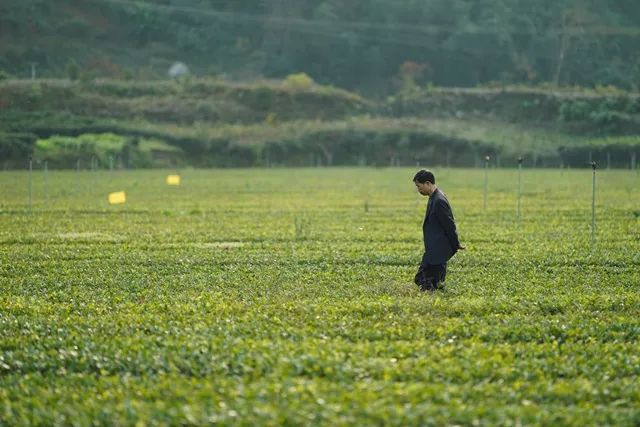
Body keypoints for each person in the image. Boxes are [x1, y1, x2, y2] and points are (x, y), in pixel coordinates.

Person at [413, 170, 464, 292]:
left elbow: (449, 224)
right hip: (434, 249)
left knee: (427, 281)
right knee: (426, 279)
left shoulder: (439, 200)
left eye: (419, 186)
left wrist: (456, 244)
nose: (418, 190)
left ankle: (431, 304)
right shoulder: (434, 197)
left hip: (438, 250)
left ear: (427, 183)